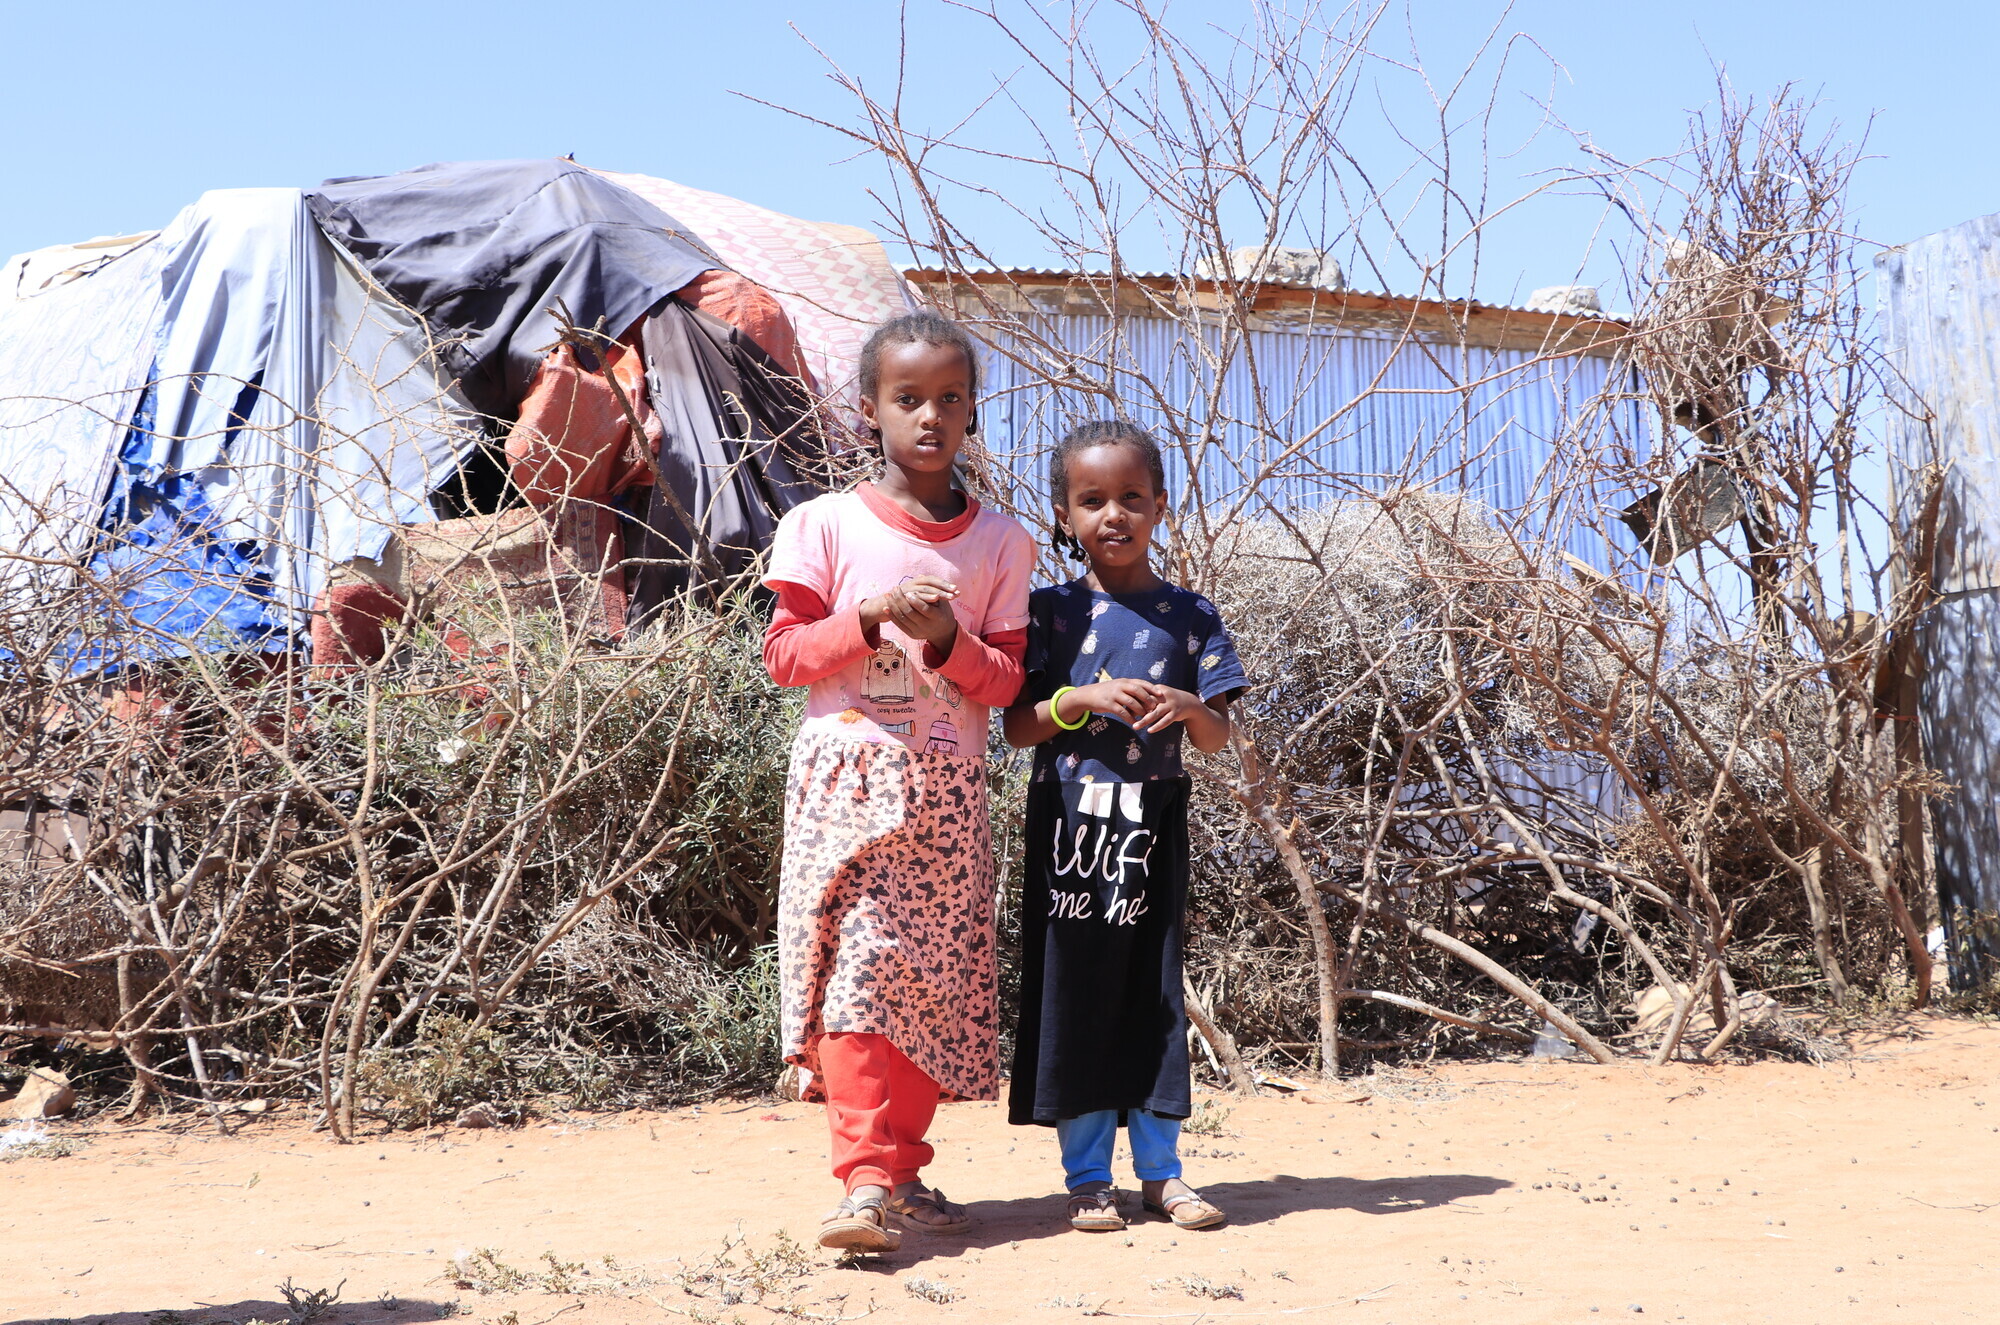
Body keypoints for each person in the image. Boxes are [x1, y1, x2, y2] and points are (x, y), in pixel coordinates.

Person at [762, 310, 1036, 1253]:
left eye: (950, 400)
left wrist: (950, 643)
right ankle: (865, 1176)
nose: (930, 417)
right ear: (869, 408)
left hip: (947, 794)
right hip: (844, 785)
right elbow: (786, 655)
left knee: (930, 976)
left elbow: (1006, 687)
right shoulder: (821, 525)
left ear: (972, 412)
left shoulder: (1001, 543)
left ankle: (904, 1169)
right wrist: (872, 616)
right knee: (861, 969)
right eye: (908, 398)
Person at [1002, 419, 1249, 1233]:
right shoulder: (1049, 613)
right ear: (1064, 514)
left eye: (1132, 498)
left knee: (1154, 992)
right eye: (1092, 499)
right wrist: (1083, 701)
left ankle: (1162, 1174)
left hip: (1153, 827)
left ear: (1161, 508)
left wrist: (1186, 706)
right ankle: (1085, 1178)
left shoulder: (1190, 615)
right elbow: (1019, 726)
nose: (1115, 514)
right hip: (1069, 829)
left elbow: (1215, 737)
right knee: (1075, 991)